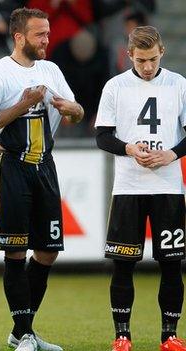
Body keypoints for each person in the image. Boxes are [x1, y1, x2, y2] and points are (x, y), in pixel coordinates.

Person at [0, 7, 84, 351]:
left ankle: (21, 330)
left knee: (47, 252)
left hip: (45, 166)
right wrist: (24, 105)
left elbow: (76, 110)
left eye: (48, 32)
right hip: (13, 166)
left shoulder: (51, 69)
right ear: (19, 36)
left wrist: (74, 111)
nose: (47, 39)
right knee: (14, 250)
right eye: (40, 34)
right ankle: (25, 334)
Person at [95, 26, 186, 351]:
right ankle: (122, 335)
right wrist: (129, 149)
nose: (147, 66)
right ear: (129, 55)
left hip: (168, 188)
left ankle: (170, 335)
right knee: (123, 263)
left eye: (152, 58)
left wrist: (171, 153)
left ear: (162, 51)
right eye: (141, 59)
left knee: (172, 262)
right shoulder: (115, 87)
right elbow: (102, 136)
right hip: (128, 188)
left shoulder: (178, 84)